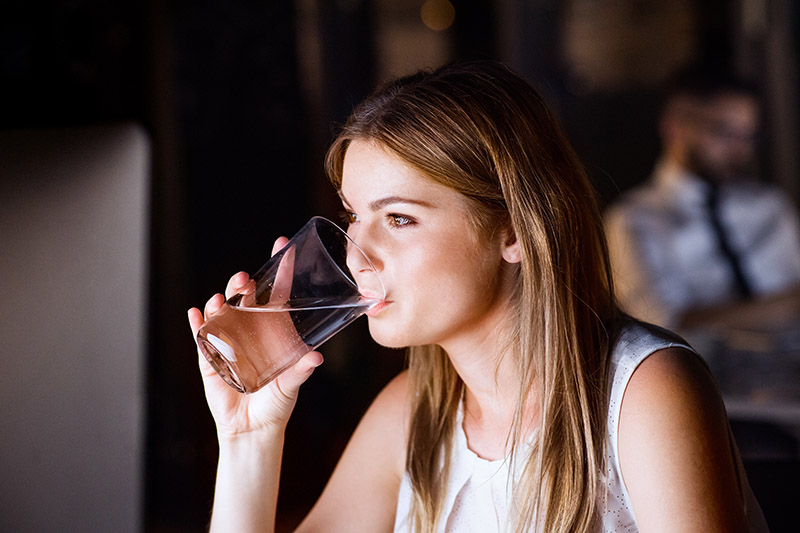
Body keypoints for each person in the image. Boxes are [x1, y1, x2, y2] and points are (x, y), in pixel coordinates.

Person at [188, 61, 767, 532]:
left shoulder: (644, 392)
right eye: (352, 216)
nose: (356, 257)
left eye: (399, 218)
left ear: (513, 232)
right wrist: (249, 440)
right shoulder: (410, 413)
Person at [604, 67, 800, 336]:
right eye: (725, 132)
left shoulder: (771, 206)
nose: (741, 150)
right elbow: (663, 328)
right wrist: (787, 306)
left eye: (748, 135)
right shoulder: (633, 220)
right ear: (674, 128)